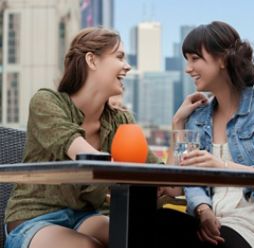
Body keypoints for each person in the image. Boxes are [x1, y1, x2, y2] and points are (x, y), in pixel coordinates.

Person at [4, 27, 161, 248]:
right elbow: (81, 153)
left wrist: (180, 126)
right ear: (92, 60)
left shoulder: (121, 120)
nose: (127, 66)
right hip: (36, 217)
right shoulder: (47, 102)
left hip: (86, 216)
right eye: (119, 57)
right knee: (88, 246)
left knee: (133, 237)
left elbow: (155, 168)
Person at [156, 21, 254, 248]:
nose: (188, 68)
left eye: (195, 58)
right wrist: (203, 211)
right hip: (215, 221)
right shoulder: (198, 117)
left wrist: (220, 165)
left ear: (222, 59)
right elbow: (186, 182)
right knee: (152, 224)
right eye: (187, 59)